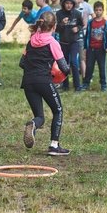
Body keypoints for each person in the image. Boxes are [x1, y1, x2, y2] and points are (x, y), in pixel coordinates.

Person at [19, 11, 72, 156]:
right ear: (54, 26)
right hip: (43, 80)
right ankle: (54, 145)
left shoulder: (31, 41)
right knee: (58, 110)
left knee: (40, 116)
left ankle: (33, 124)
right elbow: (63, 68)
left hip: (28, 82)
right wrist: (68, 71)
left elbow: (22, 63)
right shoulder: (52, 43)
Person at [55, 0, 83, 91]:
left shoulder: (77, 13)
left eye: (71, 3)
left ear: (73, 4)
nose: (68, 5)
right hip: (63, 43)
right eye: (67, 3)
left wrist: (78, 28)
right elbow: (56, 29)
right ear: (63, 4)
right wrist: (62, 23)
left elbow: (81, 24)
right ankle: (65, 86)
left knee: (74, 63)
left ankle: (77, 86)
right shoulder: (59, 14)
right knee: (64, 64)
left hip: (74, 42)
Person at [83, 1, 107, 91]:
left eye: (100, 10)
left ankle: (103, 85)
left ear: (103, 11)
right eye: (96, 10)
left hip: (101, 49)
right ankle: (86, 83)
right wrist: (85, 47)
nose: (98, 12)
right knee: (89, 67)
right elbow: (87, 35)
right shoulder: (91, 23)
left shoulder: (106, 23)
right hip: (91, 49)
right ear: (94, 11)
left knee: (102, 67)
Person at [73, 0, 93, 81]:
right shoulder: (70, 7)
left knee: (83, 57)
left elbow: (88, 21)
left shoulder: (86, 7)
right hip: (71, 35)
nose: (76, 1)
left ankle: (85, 77)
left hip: (82, 34)